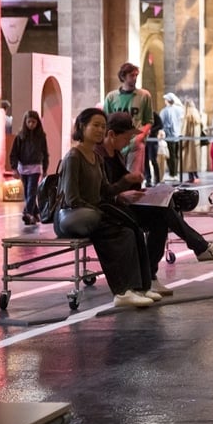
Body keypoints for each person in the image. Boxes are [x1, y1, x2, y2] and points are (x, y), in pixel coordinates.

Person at [96, 112, 213, 296]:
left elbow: (122, 187)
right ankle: (198, 248)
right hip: (110, 211)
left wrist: (137, 188)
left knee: (160, 214)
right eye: (127, 136)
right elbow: (101, 193)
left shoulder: (116, 155)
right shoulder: (98, 156)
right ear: (112, 134)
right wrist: (123, 190)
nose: (129, 140)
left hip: (122, 207)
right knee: (160, 212)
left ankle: (150, 277)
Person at [56, 108, 157, 308]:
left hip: (92, 214)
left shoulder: (97, 157)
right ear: (82, 127)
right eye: (95, 125)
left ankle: (140, 287)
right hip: (73, 218)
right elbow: (71, 198)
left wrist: (125, 181)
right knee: (117, 234)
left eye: (103, 126)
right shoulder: (74, 157)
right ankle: (122, 291)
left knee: (132, 229)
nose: (100, 130)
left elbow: (106, 191)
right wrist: (101, 212)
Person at [102, 62, 154, 177]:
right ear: (123, 76)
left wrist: (140, 137)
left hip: (135, 142)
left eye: (136, 75)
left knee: (134, 176)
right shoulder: (111, 97)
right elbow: (106, 120)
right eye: (132, 75)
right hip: (116, 143)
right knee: (115, 176)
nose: (134, 78)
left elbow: (149, 121)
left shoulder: (144, 95)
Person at [9, 110, 49, 225]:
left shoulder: (41, 137)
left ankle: (28, 214)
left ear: (37, 123)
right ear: (25, 122)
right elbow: (14, 153)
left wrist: (45, 169)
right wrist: (14, 168)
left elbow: (45, 153)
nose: (31, 124)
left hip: (35, 168)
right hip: (23, 168)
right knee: (27, 193)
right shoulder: (20, 137)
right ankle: (36, 213)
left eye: (34, 122)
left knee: (31, 191)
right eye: (29, 122)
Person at [159, 92, 184, 179]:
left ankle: (172, 174)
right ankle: (175, 173)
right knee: (176, 155)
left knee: (170, 155)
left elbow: (161, 123)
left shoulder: (164, 111)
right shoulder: (179, 109)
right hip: (178, 135)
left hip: (169, 135)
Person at [180, 100, 205, 183]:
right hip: (196, 142)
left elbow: (185, 131)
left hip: (189, 143)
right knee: (194, 160)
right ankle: (196, 176)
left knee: (189, 161)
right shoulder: (197, 115)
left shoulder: (188, 117)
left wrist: (182, 142)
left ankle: (191, 177)